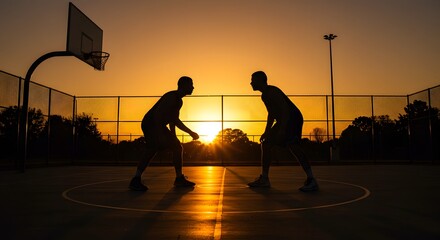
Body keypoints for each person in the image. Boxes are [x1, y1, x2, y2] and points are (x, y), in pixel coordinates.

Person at [247, 71, 319, 192]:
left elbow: (285, 109)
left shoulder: (272, 91)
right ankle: (264, 179)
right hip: (283, 120)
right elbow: (271, 114)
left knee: (293, 146)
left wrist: (282, 130)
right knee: (266, 143)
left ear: (260, 80)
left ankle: (311, 180)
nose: (250, 83)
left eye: (253, 80)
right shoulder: (264, 95)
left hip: (292, 118)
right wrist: (266, 131)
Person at [129, 76, 200, 191]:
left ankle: (179, 178)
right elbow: (157, 115)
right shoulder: (171, 97)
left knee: (176, 147)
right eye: (191, 84)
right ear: (183, 85)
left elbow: (174, 120)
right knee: (152, 148)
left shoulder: (178, 101)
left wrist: (175, 136)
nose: (193, 87)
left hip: (157, 125)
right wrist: (160, 134)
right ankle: (136, 179)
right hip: (151, 124)